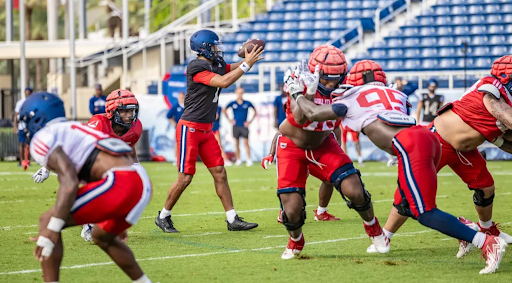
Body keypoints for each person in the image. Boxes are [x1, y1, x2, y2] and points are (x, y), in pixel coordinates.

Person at [290, 59, 506, 274]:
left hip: (411, 146)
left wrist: (297, 93)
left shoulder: (350, 97)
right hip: (427, 138)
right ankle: (464, 229)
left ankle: (486, 242)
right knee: (406, 203)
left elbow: (313, 114)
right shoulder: (395, 95)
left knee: (425, 212)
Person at [377, 55, 512, 258]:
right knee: (409, 194)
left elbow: (502, 138)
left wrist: (501, 139)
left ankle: (487, 229)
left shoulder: (503, 95)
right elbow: (503, 115)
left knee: (485, 187)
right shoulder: (491, 87)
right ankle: (385, 236)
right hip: (437, 141)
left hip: (464, 149)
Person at [20, 92, 153, 282]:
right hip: (140, 180)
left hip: (121, 181)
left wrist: (53, 228)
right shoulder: (73, 127)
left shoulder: (44, 138)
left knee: (47, 220)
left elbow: (70, 182)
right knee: (101, 237)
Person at [274, 45, 388, 260]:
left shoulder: (346, 87)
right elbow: (300, 118)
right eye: (326, 78)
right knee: (291, 210)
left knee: (355, 190)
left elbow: (337, 122)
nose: (331, 83)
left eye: (336, 78)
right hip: (292, 148)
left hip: (324, 145)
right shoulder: (299, 81)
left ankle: (373, 228)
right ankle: (296, 240)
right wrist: (305, 92)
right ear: (316, 73)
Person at [155, 29, 263, 233]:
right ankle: (163, 216)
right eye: (213, 46)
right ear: (204, 48)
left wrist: (249, 59)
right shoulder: (196, 66)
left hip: (206, 129)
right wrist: (247, 65)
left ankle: (232, 220)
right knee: (185, 178)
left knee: (220, 172)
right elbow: (224, 81)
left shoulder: (216, 63)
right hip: (190, 128)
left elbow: (231, 68)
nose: (217, 49)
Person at [32, 89, 144, 242]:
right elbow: (72, 144)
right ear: (112, 111)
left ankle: (105, 224)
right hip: (80, 160)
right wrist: (47, 166)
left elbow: (130, 147)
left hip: (106, 163)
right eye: (125, 111)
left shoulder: (136, 128)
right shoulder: (99, 124)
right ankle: (87, 224)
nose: (130, 116)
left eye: (132, 111)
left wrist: (136, 165)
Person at [262, 131, 341, 222]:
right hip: (297, 155)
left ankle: (321, 213)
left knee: (329, 178)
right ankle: (284, 212)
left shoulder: (330, 121)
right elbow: (280, 133)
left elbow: (335, 135)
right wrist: (271, 154)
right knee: (292, 184)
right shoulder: (304, 118)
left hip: (315, 155)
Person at [224, 87, 257, 166]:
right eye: (239, 93)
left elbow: (255, 111)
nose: (240, 94)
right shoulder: (233, 103)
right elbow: (224, 110)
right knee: (237, 143)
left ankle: (249, 159)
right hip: (236, 126)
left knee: (246, 143)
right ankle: (239, 159)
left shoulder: (247, 103)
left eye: (241, 93)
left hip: (244, 125)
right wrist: (230, 119)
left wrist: (250, 121)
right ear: (236, 93)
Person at [14, 87, 33, 168]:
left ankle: (27, 160)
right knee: (21, 143)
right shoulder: (20, 102)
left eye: (29, 93)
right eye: (26, 93)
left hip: (30, 127)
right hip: (22, 126)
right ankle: (21, 160)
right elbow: (16, 115)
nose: (27, 95)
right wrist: (15, 126)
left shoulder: (33, 102)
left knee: (28, 144)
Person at [167, 92, 185, 165]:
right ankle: (176, 158)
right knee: (177, 143)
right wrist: (175, 124)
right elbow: (169, 116)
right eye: (180, 97)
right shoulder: (175, 106)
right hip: (179, 128)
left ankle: (185, 159)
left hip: (187, 127)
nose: (181, 99)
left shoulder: (188, 106)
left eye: (182, 97)